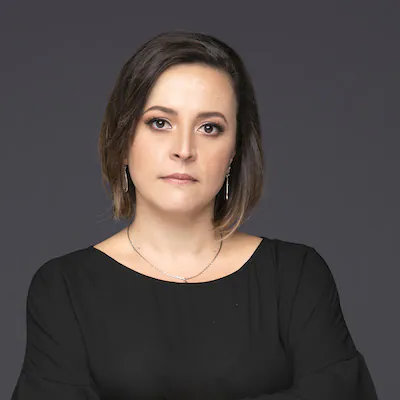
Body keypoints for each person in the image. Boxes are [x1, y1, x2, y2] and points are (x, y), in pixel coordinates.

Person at [11, 30, 378, 399]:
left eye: (209, 128)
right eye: (160, 122)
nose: (184, 149)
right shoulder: (64, 289)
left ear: (234, 152)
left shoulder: (296, 277)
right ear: (122, 140)